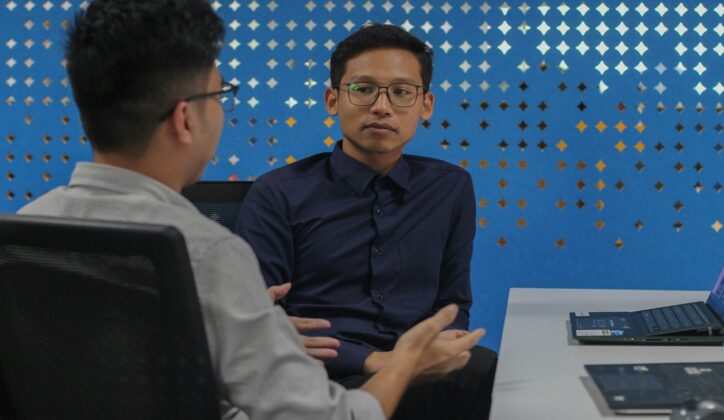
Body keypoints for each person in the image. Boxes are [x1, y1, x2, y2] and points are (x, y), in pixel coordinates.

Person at [17, 2, 485, 419]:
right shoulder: (206, 252)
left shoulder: (20, 232)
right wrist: (403, 362)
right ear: (186, 118)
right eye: (220, 97)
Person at [235, 23, 497, 419]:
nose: (381, 106)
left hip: (423, 368)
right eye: (362, 89)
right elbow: (266, 321)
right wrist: (375, 361)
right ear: (332, 99)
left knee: (495, 372)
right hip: (324, 377)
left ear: (425, 105)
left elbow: (453, 300)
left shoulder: (450, 187)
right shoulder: (278, 193)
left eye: (401, 92)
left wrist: (436, 345)